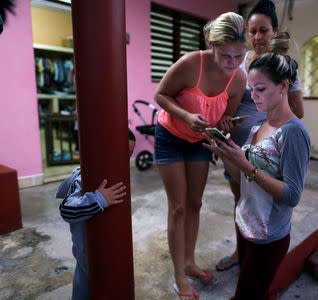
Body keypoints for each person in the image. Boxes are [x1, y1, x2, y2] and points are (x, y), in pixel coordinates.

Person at [153, 12, 247, 300]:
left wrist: (226, 124)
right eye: (226, 56)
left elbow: (226, 114)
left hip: (199, 142)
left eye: (239, 56)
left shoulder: (239, 78)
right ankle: (178, 275)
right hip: (170, 137)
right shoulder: (190, 64)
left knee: (195, 203)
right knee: (178, 207)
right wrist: (184, 115)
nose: (232, 63)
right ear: (212, 44)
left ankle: (189, 262)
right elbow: (161, 95)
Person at [203, 50, 310, 300]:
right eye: (251, 89)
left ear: (284, 86)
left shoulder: (293, 132)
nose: (253, 96)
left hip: (268, 237)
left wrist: (248, 167)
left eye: (260, 88)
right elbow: (243, 178)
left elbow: (292, 195)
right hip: (245, 224)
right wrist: (228, 154)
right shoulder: (259, 126)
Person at [216, 0, 304, 272]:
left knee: (263, 201)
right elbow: (226, 102)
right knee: (241, 200)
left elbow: (297, 112)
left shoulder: (284, 67)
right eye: (252, 31)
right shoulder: (239, 63)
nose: (257, 37)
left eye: (263, 30)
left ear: (274, 31)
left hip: (267, 150)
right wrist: (226, 122)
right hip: (238, 144)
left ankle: (259, 254)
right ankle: (240, 250)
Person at [55, 129, 136, 300]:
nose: (124, 160)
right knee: (83, 291)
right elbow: (66, 210)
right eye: (120, 153)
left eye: (128, 155)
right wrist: (98, 200)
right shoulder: (84, 177)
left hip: (102, 256)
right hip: (86, 255)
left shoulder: (114, 177)